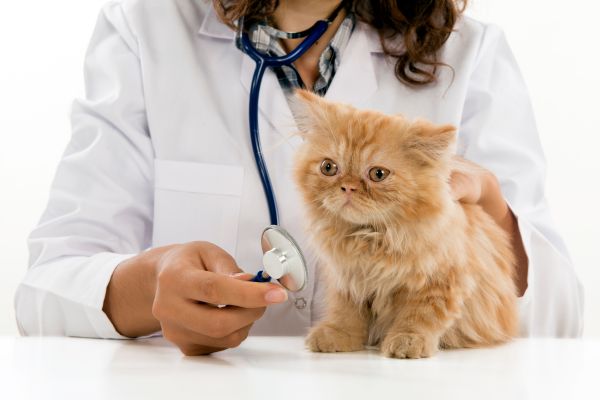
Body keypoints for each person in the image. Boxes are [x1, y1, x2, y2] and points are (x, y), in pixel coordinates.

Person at [15, 0, 583, 355]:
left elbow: (561, 321)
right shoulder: (145, 27)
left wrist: (492, 209)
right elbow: (45, 290)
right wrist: (145, 288)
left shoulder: (468, 51)